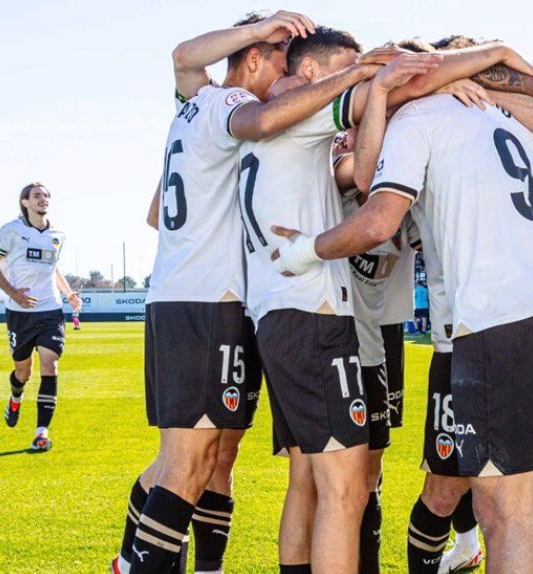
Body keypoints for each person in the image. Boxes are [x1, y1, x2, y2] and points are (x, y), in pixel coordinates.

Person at [272, 61, 533, 574]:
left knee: (501, 514)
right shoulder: (511, 122)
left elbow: (378, 219)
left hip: (495, 323)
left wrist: (306, 250)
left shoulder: (418, 119)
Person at [112, 11, 386, 573]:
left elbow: (154, 210)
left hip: (186, 297)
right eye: (281, 63)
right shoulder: (230, 106)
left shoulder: (195, 106)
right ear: (256, 57)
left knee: (202, 456)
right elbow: (253, 114)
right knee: (188, 464)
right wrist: (352, 75)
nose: (287, 81)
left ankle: (134, 560)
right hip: (209, 301)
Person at [0, 182, 82, 452]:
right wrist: (13, 293)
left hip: (49, 310)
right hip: (20, 314)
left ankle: (41, 432)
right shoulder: (11, 231)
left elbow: (54, 269)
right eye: (37, 195)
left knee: (50, 364)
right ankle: (15, 398)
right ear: (25, 202)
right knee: (23, 371)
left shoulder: (58, 234)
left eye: (47, 195)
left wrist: (68, 294)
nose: (44, 199)